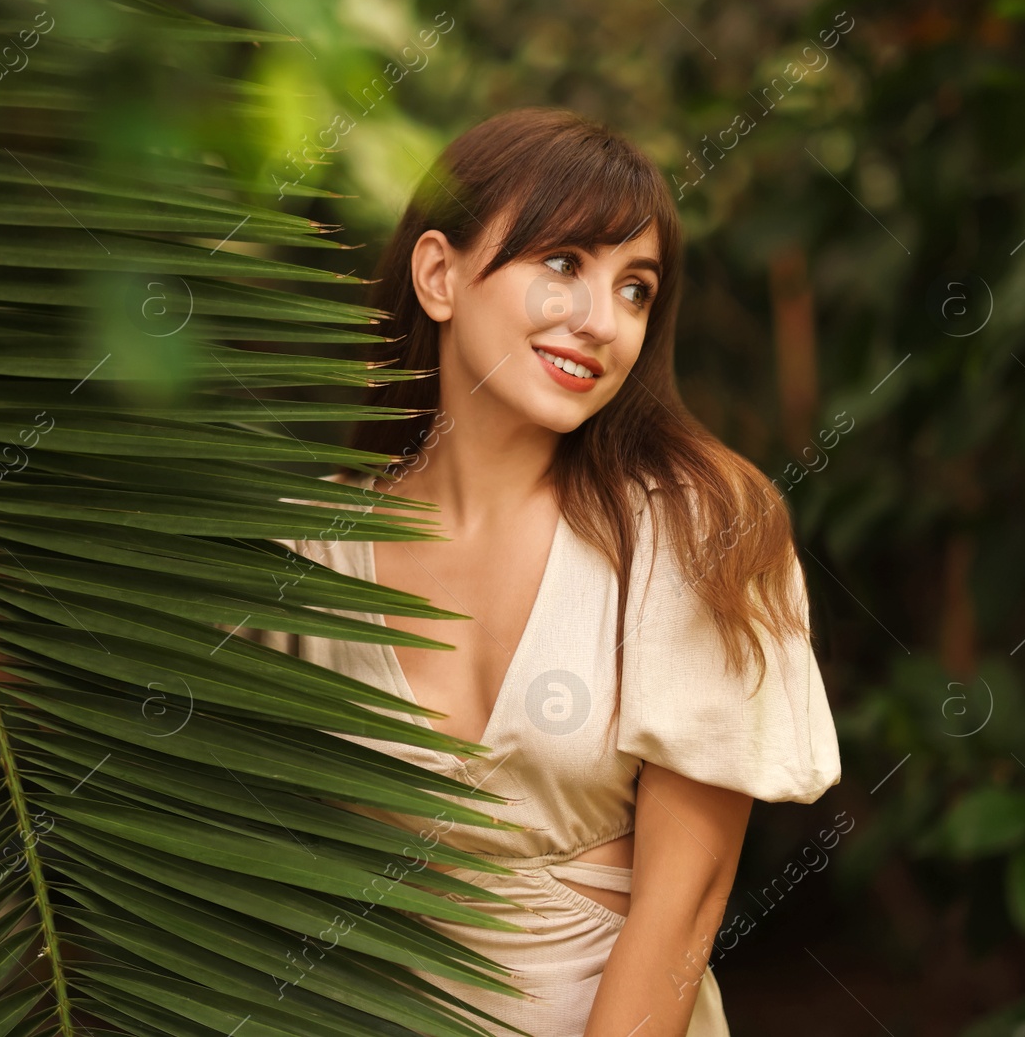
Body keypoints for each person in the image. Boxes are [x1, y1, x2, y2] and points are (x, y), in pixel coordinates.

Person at [237, 107, 842, 1036]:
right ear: (439, 274)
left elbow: (684, 902)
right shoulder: (309, 547)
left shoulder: (693, 531)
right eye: (564, 264)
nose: (602, 321)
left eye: (635, 289)